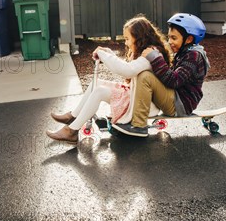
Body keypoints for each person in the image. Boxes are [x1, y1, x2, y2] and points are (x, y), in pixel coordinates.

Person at [47, 15, 173, 144]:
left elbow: (127, 70)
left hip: (143, 103)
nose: (126, 42)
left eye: (127, 39)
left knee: (100, 91)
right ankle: (73, 116)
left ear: (140, 38)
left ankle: (71, 131)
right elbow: (129, 68)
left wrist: (104, 55)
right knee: (96, 84)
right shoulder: (145, 51)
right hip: (134, 95)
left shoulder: (150, 53)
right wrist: (108, 53)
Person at [111, 13, 211, 137]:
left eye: (174, 38)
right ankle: (126, 116)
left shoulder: (194, 56)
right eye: (169, 37)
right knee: (145, 75)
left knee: (145, 77)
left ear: (189, 39)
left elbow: (175, 80)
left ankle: (139, 125)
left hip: (181, 104)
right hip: (175, 98)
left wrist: (155, 58)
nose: (170, 42)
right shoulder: (185, 52)